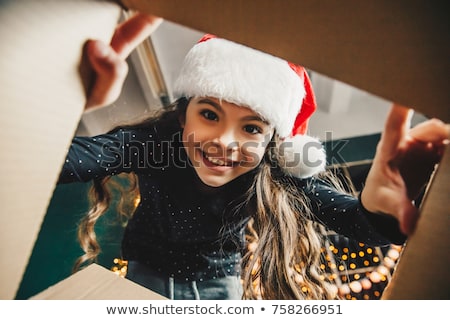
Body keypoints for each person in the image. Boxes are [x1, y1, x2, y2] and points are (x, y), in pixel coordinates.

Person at [59, 12, 449, 300]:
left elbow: (357, 222)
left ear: (271, 143)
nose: (226, 142)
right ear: (182, 116)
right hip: (142, 278)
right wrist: (66, 108)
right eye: (209, 114)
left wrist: (378, 212)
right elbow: (66, 161)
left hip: (222, 288)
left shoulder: (275, 170)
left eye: (251, 128)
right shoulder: (149, 144)